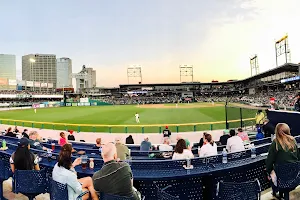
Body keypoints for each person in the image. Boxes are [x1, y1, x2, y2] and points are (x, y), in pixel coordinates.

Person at [266, 123, 300, 197]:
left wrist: (268, 171)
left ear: (277, 132)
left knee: (269, 172)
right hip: (294, 176)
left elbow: (269, 162)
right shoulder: (293, 141)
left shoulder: (275, 143)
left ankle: (275, 192)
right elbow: (298, 157)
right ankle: (279, 193)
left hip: (282, 177)